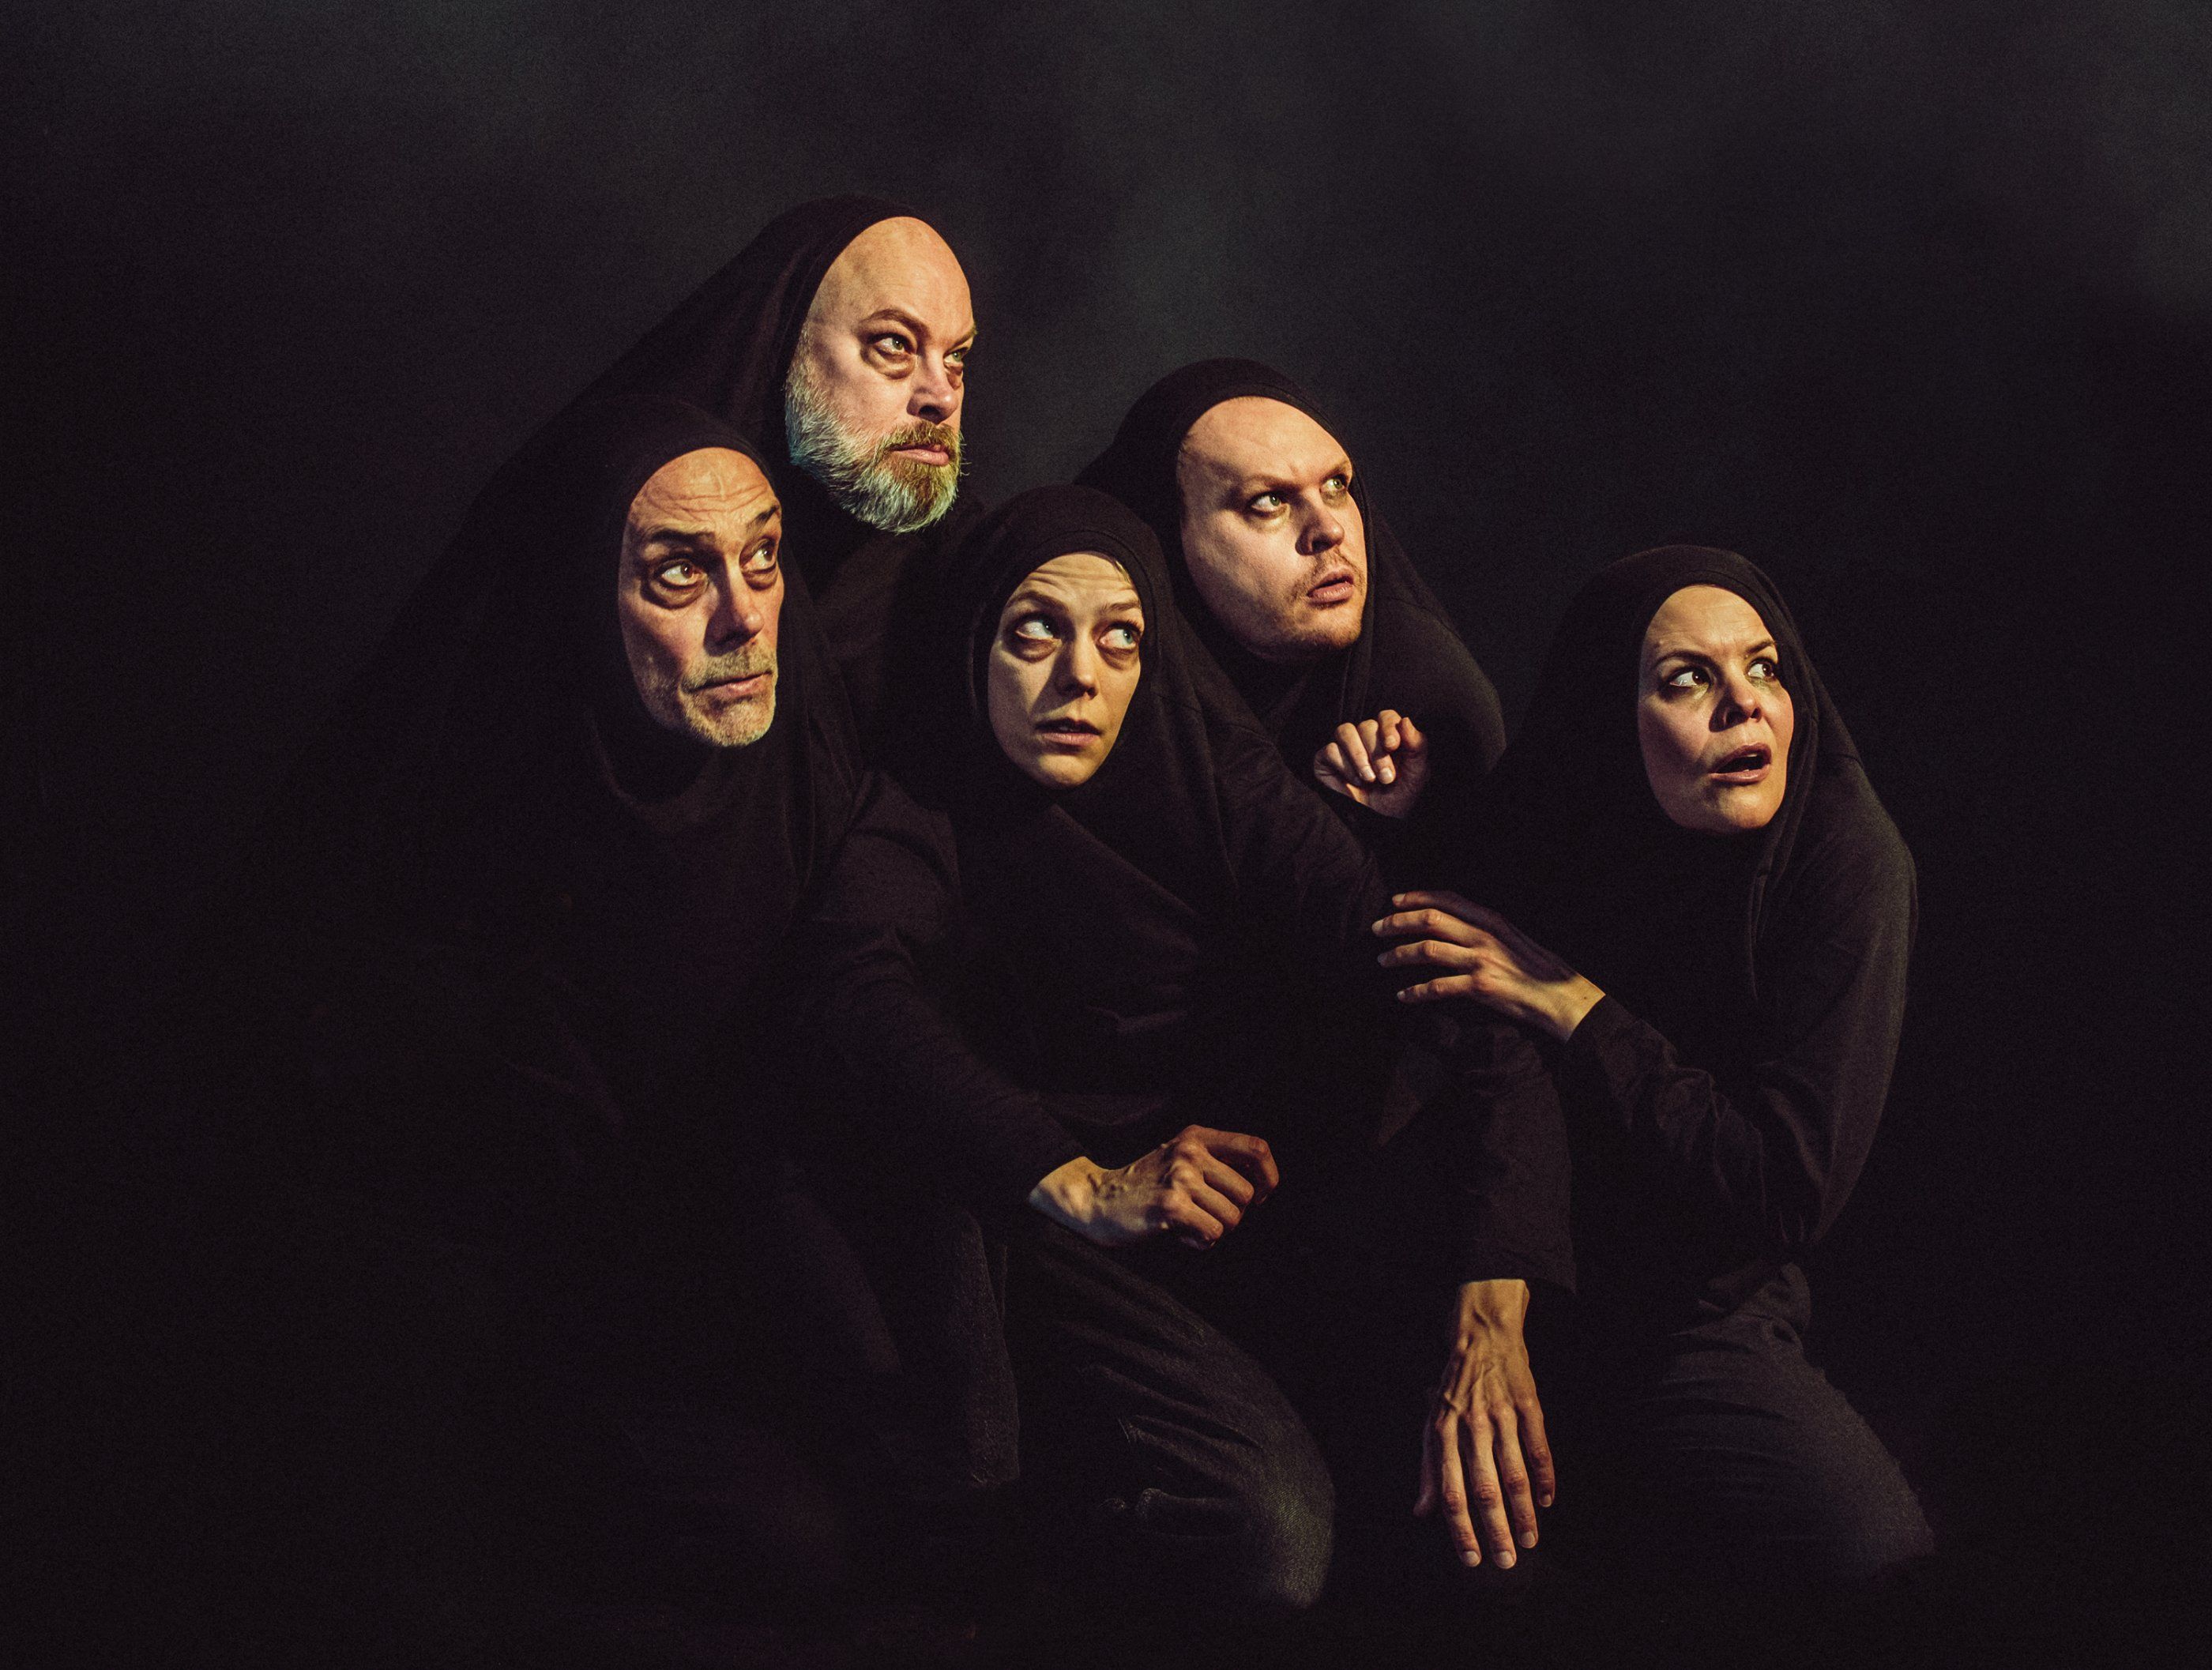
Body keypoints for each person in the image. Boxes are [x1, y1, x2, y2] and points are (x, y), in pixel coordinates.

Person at [799, 486, 1573, 1616]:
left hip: (1236, 1211)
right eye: (1035, 633)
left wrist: (1491, 1296)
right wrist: (1079, 1179)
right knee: (1270, 1538)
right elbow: (856, 990)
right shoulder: (922, 796)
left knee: (1479, 1535)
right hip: (1039, 1220)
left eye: (1120, 638)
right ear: (973, 642)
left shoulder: (1212, 768)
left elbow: (1451, 987)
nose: (1081, 678)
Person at [238, 397, 890, 1644]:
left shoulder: (811, 786)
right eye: (680, 573)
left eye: (764, 558)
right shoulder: (468, 859)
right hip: (516, 1337)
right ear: (586, 599)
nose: (746, 616)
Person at [1374, 545, 1933, 1595]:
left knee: (1871, 1553)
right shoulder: (1558, 819)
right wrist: (1404, 812)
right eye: (1687, 679)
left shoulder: (1849, 860)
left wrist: (1573, 1004)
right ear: (1608, 719)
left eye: (1765, 668)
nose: (1745, 706)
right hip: (1516, 1268)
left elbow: (1782, 1187)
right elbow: (1482, 1045)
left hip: (1700, 1298)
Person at [566, 195, 981, 746]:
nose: (943, 397)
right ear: (785, 344)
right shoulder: (621, 505)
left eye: (957, 356)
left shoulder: (965, 579)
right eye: (894, 345)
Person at [1077, 359, 1505, 853]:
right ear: (1165, 536)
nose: (1331, 530)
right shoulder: (1085, 691)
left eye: (1337, 487)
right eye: (1268, 502)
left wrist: (1396, 832)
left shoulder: (1432, 713)